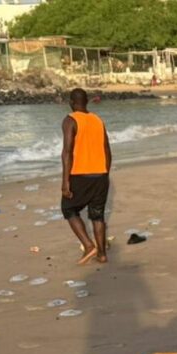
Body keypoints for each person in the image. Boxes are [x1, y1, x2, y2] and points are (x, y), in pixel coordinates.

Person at [61, 88, 111, 265]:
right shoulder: (97, 120)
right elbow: (107, 149)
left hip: (80, 174)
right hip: (100, 174)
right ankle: (102, 255)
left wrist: (65, 181)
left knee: (68, 209)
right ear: (87, 101)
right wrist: (105, 173)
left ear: (71, 102)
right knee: (97, 215)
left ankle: (89, 246)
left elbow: (67, 152)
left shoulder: (70, 120)